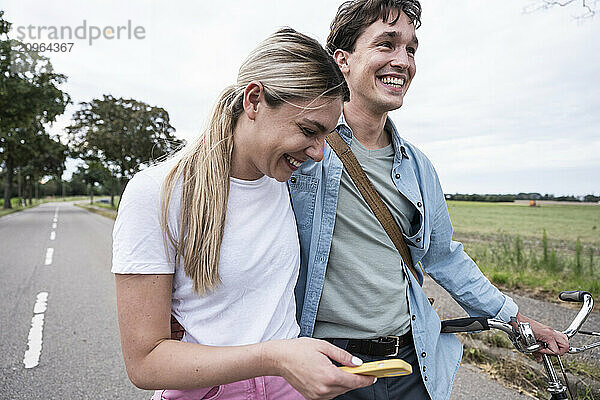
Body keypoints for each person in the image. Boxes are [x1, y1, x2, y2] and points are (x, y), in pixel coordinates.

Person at [288, 2, 570, 399]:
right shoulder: (303, 148)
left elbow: (445, 257)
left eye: (411, 49)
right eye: (386, 45)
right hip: (325, 366)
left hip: (409, 365)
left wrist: (518, 319)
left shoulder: (418, 167)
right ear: (343, 60)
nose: (402, 61)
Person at [112, 28, 376, 400]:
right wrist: (275, 358)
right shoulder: (157, 192)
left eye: (327, 136)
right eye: (308, 130)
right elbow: (145, 362)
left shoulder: (290, 182)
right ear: (254, 100)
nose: (318, 153)